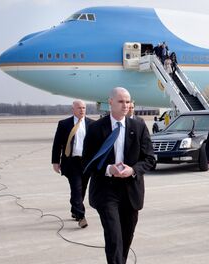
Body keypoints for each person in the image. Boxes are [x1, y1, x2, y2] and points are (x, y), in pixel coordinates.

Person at [82, 87, 155, 264]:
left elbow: (150, 159)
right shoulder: (96, 128)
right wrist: (109, 169)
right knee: (114, 237)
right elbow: (87, 161)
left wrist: (133, 170)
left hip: (131, 190)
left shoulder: (138, 127)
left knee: (126, 236)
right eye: (121, 101)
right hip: (106, 191)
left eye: (128, 101)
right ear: (110, 102)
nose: (125, 105)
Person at [51, 100, 93, 228]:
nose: (82, 110)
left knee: (82, 189)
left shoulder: (92, 124)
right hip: (71, 161)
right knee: (76, 188)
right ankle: (81, 216)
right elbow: (57, 144)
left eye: (84, 108)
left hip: (86, 162)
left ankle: (75, 210)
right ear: (73, 109)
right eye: (79, 108)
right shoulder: (64, 124)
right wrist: (55, 162)